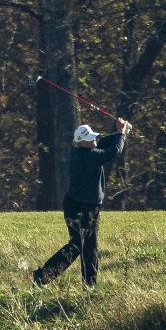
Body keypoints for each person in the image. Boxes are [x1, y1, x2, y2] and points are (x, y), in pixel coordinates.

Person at [34, 117, 129, 287]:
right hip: (83, 208)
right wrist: (121, 134)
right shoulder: (89, 155)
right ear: (82, 142)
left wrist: (119, 133)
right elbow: (113, 152)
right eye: (90, 138)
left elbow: (103, 141)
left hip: (80, 205)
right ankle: (42, 277)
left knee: (88, 247)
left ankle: (88, 286)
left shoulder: (82, 149)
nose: (95, 139)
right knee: (79, 246)